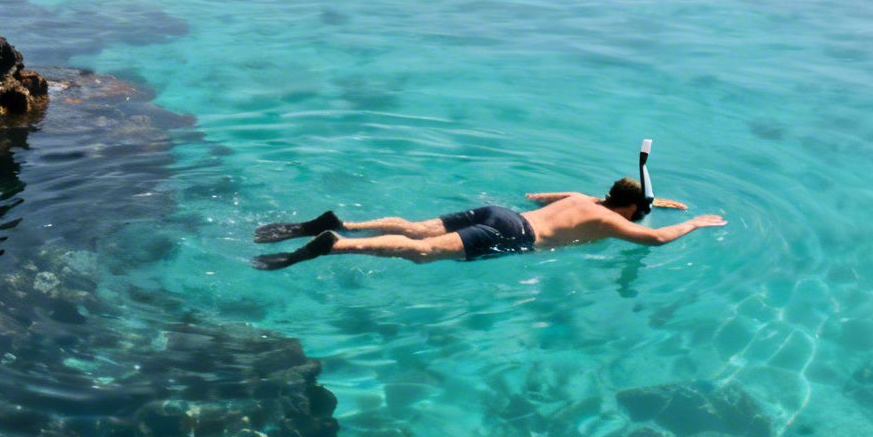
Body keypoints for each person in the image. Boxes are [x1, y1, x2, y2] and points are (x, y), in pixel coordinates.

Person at [250, 178, 725, 269]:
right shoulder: (608, 223)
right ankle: (335, 245)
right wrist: (697, 223)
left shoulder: (583, 197)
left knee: (414, 227)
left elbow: (538, 196)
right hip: (515, 236)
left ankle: (347, 222)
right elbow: (658, 240)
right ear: (628, 210)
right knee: (421, 253)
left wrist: (651, 200)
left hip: (502, 214)